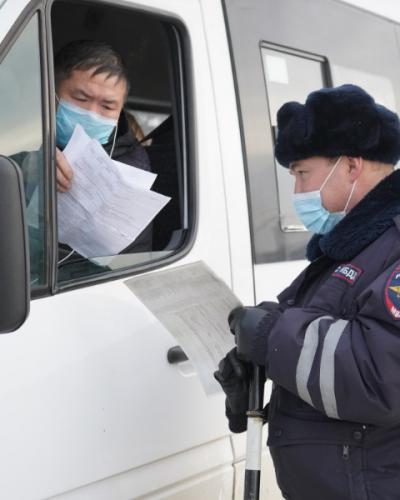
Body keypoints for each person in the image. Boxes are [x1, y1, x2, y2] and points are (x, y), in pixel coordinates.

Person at [215, 84, 400, 500]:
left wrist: (271, 336)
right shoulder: (348, 248)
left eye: (302, 174)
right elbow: (317, 341)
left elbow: (381, 377)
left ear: (350, 166)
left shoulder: (392, 245)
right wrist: (254, 371)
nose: (298, 192)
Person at [54, 40, 153, 267]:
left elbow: (127, 264)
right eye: (81, 99)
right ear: (52, 92)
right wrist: (27, 163)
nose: (92, 113)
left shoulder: (132, 171)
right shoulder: (16, 135)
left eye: (107, 106)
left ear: (120, 111)